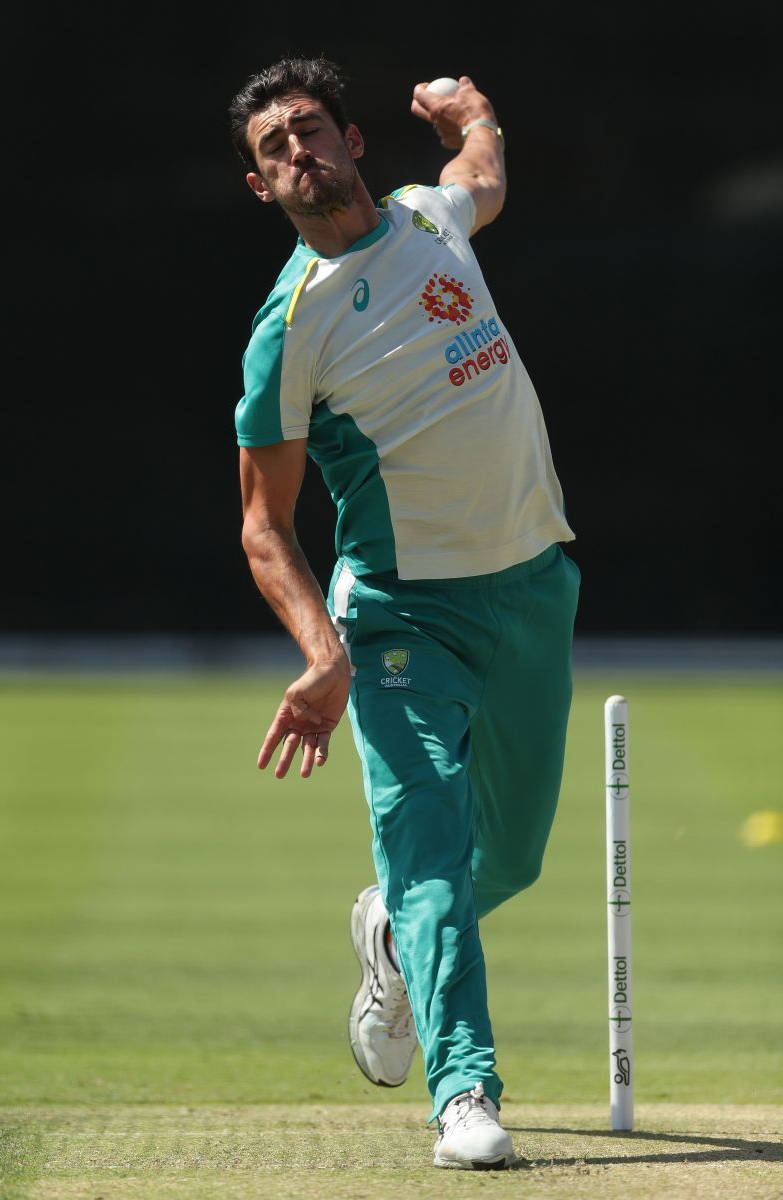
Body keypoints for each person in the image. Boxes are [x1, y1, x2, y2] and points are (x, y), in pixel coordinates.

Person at [228, 56, 580, 1170]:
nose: (297, 151)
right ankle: (462, 1093)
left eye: (310, 129)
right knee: (430, 850)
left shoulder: (430, 218)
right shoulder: (289, 330)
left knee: (506, 860)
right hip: (399, 621)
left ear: (353, 142)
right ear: (260, 189)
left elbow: (479, 172)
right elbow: (262, 525)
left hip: (529, 582)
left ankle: (387, 930)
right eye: (273, 146)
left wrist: (476, 113)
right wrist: (321, 652)